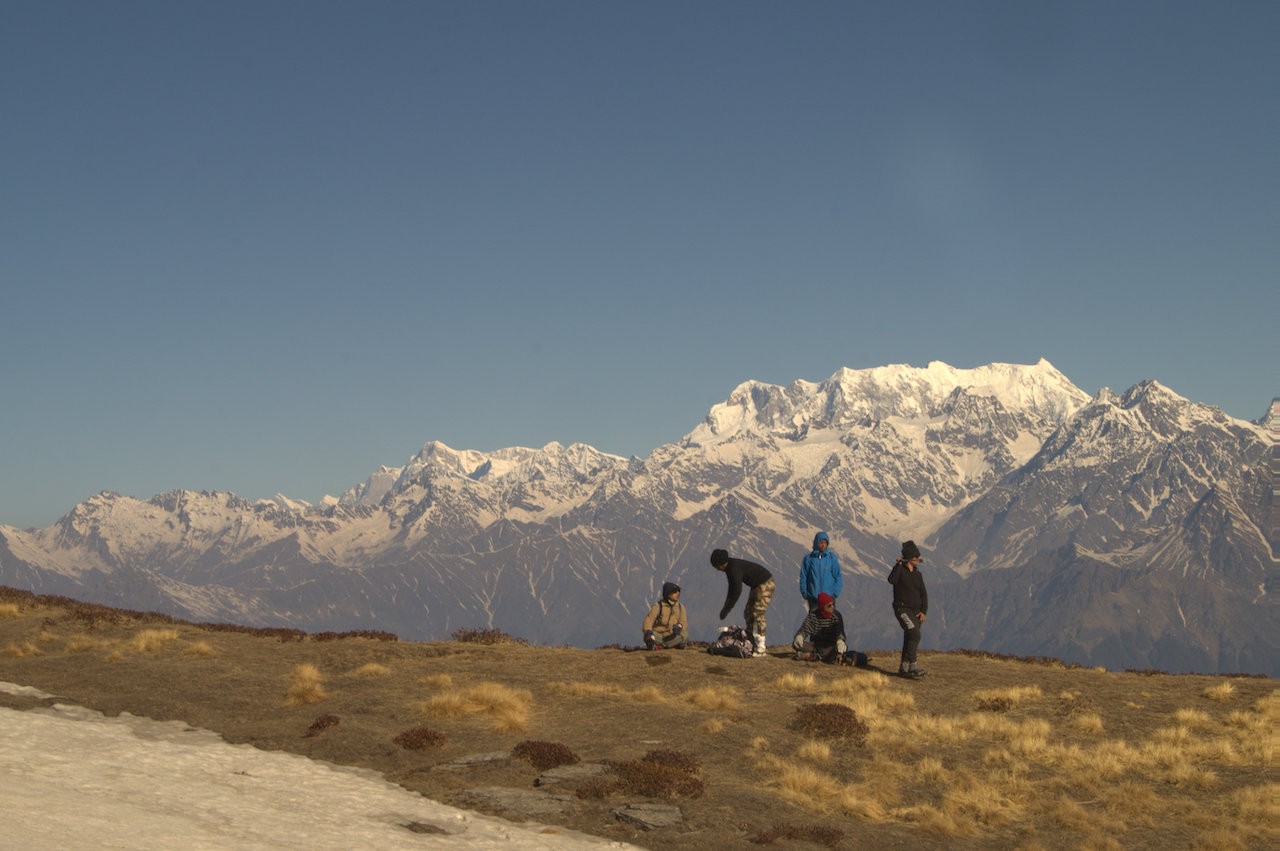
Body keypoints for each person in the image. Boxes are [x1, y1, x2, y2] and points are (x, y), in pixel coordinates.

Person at [709, 548, 775, 657]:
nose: (717, 569)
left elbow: (736, 591)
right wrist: (726, 607)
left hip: (765, 583)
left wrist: (727, 608)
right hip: (756, 586)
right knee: (748, 613)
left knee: (758, 613)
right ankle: (750, 641)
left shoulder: (734, 569)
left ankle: (761, 647)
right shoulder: (729, 568)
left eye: (717, 566)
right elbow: (732, 588)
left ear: (722, 564)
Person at [888, 540, 929, 678]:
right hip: (902, 609)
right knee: (914, 633)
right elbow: (891, 580)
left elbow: (923, 594)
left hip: (916, 612)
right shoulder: (900, 571)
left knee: (909, 636)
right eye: (916, 557)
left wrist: (923, 611)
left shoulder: (918, 575)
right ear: (910, 558)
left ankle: (904, 667)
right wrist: (898, 565)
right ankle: (913, 665)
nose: (918, 559)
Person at [791, 592, 847, 662]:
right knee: (796, 644)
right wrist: (800, 636)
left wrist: (840, 640)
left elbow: (840, 631)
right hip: (815, 644)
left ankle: (812, 656)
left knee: (839, 648)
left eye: (833, 604)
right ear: (823, 606)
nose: (832, 607)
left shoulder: (836, 616)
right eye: (829, 605)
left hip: (830, 645)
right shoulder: (813, 616)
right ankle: (822, 656)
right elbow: (805, 629)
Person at [800, 531, 843, 612]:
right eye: (821, 542)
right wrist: (805, 593)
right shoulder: (809, 559)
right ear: (817, 542)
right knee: (814, 623)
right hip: (814, 598)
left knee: (829, 622)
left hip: (829, 597)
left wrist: (835, 593)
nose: (823, 545)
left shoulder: (831, 558)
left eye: (825, 542)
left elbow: (838, 576)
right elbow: (804, 577)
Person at [642, 582, 689, 650]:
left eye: (679, 591)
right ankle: (671, 646)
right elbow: (648, 620)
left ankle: (661, 646)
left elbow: (684, 623)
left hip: (673, 636)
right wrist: (648, 632)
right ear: (667, 593)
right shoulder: (658, 606)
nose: (678, 593)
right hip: (659, 636)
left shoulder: (680, 607)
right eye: (675, 592)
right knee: (647, 636)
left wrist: (680, 627)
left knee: (685, 634)